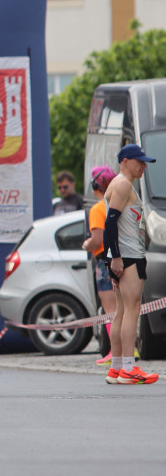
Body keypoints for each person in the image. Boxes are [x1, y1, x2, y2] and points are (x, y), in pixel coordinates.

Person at [103, 145, 159, 385]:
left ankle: (116, 368)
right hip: (128, 256)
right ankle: (128, 368)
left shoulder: (117, 184)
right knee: (132, 309)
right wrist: (115, 256)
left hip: (122, 255)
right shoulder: (123, 184)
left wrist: (112, 256)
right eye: (140, 162)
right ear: (125, 161)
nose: (144, 166)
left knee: (122, 311)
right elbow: (110, 223)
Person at [81, 165, 118, 365]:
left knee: (110, 309)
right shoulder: (121, 204)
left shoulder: (98, 209)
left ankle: (114, 351)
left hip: (104, 260)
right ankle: (131, 348)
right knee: (125, 307)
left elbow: (96, 240)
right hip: (124, 256)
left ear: (96, 186)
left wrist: (86, 244)